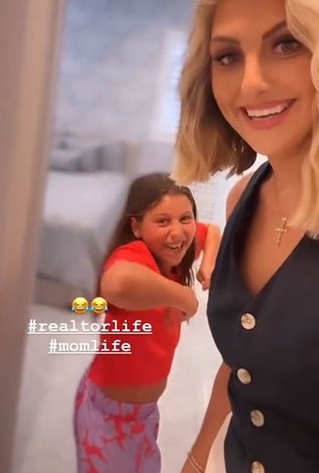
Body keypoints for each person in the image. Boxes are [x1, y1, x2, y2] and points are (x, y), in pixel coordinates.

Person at [172, 0, 319, 473]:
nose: (251, 83)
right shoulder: (242, 198)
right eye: (228, 56)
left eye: (287, 43)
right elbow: (242, 366)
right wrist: (198, 454)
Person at [73, 172, 221, 473]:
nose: (178, 232)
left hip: (143, 414)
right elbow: (115, 282)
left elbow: (213, 230)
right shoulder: (136, 255)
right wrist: (184, 297)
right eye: (162, 221)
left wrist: (209, 263)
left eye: (185, 218)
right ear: (136, 227)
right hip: (109, 415)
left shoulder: (177, 253)